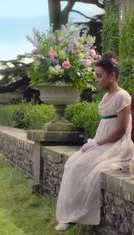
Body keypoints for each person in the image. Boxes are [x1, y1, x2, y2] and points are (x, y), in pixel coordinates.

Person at [55, 52, 134, 231]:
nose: (96, 80)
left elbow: (120, 130)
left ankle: (80, 213)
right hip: (102, 141)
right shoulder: (106, 97)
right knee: (73, 163)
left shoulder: (123, 96)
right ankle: (71, 214)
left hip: (117, 144)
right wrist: (96, 142)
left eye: (99, 76)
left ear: (112, 76)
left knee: (87, 167)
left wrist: (98, 144)